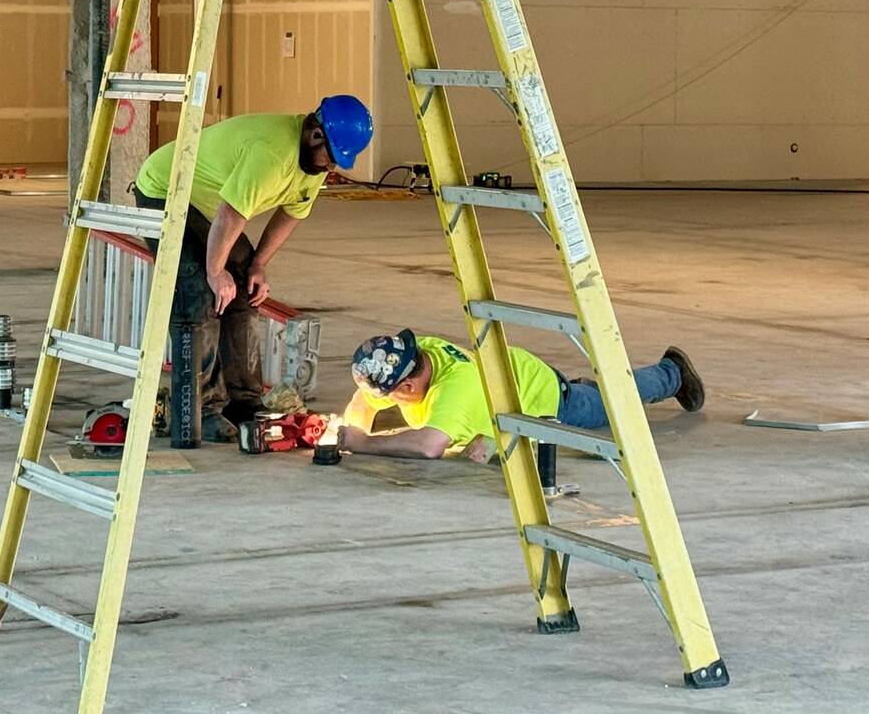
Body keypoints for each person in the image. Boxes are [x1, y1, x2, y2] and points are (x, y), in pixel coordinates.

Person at [132, 96, 372, 443]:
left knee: (244, 287)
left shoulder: (314, 163)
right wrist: (215, 272)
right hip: (166, 190)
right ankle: (203, 408)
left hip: (208, 204)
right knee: (199, 293)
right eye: (333, 159)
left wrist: (257, 264)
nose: (333, 168)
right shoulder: (272, 153)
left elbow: (290, 214)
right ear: (315, 136)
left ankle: (242, 402)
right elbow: (231, 215)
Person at [336, 327, 705, 461]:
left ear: (408, 386)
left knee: (608, 406)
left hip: (545, 398)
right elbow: (364, 400)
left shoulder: (454, 391)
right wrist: (351, 425)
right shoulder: (416, 355)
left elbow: (429, 446)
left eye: (391, 394)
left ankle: (671, 373)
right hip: (512, 375)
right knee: (594, 394)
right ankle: (584, 387)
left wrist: (363, 444)